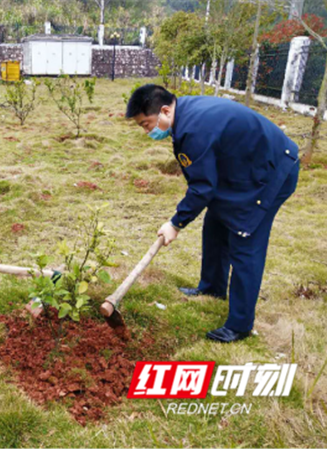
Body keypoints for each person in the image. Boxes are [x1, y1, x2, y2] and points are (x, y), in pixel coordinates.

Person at [125, 85, 299, 343]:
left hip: (272, 171)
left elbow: (202, 187)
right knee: (216, 221)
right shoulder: (182, 114)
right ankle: (212, 287)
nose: (148, 131)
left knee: (244, 237)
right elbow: (205, 180)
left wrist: (176, 223)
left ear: (164, 110)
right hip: (243, 166)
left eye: (147, 124)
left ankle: (240, 325)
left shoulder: (194, 128)